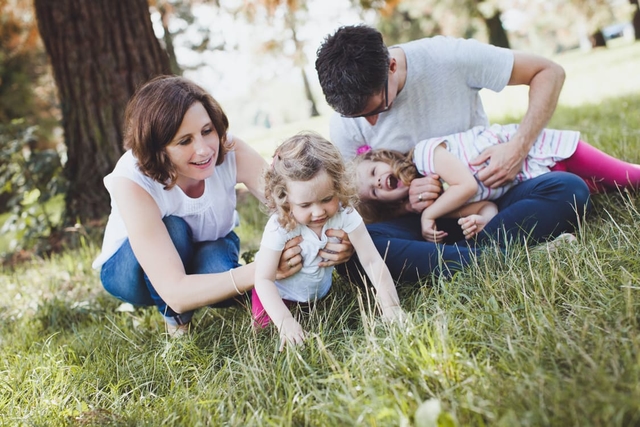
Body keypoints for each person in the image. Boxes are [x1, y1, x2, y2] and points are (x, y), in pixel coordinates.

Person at [315, 24, 591, 283]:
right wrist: (405, 205)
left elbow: (549, 72)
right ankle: (502, 255)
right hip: (421, 227)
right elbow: (358, 208)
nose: (370, 123)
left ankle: (459, 260)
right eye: (357, 116)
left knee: (570, 190)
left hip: (488, 203)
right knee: (355, 256)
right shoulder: (344, 123)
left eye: (378, 109)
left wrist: (517, 147)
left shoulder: (446, 57)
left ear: (392, 66)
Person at [91, 76, 353, 336]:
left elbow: (292, 204)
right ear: (158, 149)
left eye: (207, 131)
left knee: (224, 287)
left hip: (210, 246)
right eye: (185, 141)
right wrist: (264, 269)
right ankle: (177, 322)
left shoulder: (230, 150)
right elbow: (175, 292)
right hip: (128, 271)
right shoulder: (132, 179)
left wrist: (339, 238)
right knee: (174, 227)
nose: (205, 150)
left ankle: (209, 287)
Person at [354, 123, 640, 242]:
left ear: (385, 158)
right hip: (539, 178)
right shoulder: (435, 204)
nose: (378, 182)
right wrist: (479, 225)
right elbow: (487, 206)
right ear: (387, 205)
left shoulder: (425, 154)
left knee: (628, 177)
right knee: (610, 187)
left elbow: (466, 185)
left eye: (374, 171)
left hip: (541, 150)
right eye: (374, 192)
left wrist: (429, 214)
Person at [252, 132, 405, 350]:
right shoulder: (280, 225)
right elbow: (264, 280)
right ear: (284, 199)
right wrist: (285, 323)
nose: (318, 212)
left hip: (317, 294)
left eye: (326, 199)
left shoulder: (345, 214)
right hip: (279, 293)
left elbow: (371, 260)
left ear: (339, 186)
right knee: (265, 335)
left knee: (321, 316)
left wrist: (391, 306)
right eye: (305, 205)